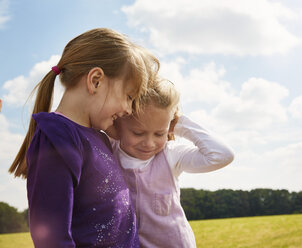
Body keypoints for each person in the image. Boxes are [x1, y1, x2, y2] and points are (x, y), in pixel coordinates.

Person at [8, 28, 159, 248]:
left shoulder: (100, 137)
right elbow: (51, 238)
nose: (128, 110)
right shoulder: (58, 137)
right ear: (96, 80)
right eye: (128, 97)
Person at [108, 79, 235, 247]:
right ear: (118, 121)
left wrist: (177, 122)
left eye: (159, 134)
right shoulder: (107, 150)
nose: (149, 143)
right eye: (138, 133)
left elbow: (222, 155)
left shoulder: (170, 154)